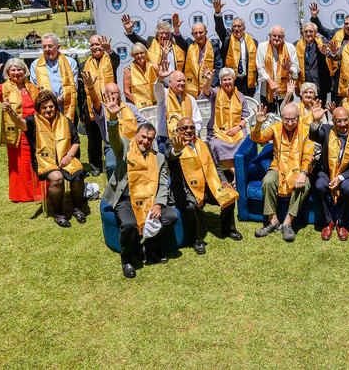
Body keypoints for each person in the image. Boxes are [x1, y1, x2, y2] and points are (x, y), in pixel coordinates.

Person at [101, 109, 177, 279]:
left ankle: (149, 247)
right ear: (135, 135)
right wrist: (113, 118)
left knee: (170, 217)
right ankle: (127, 259)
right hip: (126, 199)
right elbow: (113, 138)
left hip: (150, 200)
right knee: (129, 224)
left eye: (150, 139)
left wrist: (158, 204)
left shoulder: (158, 158)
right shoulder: (125, 148)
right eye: (143, 136)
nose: (145, 141)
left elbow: (164, 183)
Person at [166, 117, 241, 255]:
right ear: (178, 131)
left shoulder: (203, 144)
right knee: (191, 206)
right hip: (186, 188)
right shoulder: (172, 144)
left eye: (192, 127)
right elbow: (169, 156)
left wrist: (223, 181)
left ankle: (228, 229)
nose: (189, 131)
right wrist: (176, 151)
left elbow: (215, 166)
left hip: (209, 184)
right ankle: (197, 239)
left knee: (229, 195)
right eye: (184, 128)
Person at [12, 90, 86, 228]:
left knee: (78, 174)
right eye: (44, 107)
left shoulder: (65, 120)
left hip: (66, 157)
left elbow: (76, 142)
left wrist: (69, 155)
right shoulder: (33, 121)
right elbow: (22, 124)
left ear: (55, 106)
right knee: (57, 178)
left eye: (51, 106)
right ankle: (58, 213)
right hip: (45, 160)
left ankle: (77, 208)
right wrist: (12, 114)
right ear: (39, 109)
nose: (48, 110)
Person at [251, 102, 315, 242]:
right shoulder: (275, 128)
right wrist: (258, 124)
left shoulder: (306, 130)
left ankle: (287, 223)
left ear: (298, 118)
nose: (290, 123)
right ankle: (273, 220)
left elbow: (309, 156)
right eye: (286, 119)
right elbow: (257, 138)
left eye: (293, 119)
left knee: (304, 184)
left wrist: (303, 174)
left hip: (298, 169)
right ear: (281, 118)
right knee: (267, 180)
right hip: (278, 167)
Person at [0, 57, 40, 201]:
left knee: (36, 160)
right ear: (8, 73)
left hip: (34, 128)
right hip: (16, 132)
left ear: (25, 70)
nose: (16, 72)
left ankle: (39, 191)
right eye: (13, 70)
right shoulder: (4, 87)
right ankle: (22, 194)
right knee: (21, 163)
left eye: (19, 69)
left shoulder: (32, 87)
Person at [309, 104, 349, 241]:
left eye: (345, 120)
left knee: (348, 187)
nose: (343, 124)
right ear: (333, 121)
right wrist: (316, 122)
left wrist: (340, 178)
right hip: (326, 172)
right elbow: (314, 136)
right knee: (320, 185)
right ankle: (328, 222)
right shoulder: (327, 131)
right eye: (339, 121)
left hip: (347, 175)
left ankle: (341, 223)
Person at [82, 73, 147, 179]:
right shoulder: (102, 108)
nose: (115, 95)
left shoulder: (129, 106)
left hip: (133, 144)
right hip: (112, 145)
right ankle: (114, 194)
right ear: (105, 95)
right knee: (112, 166)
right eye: (111, 93)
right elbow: (95, 101)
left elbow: (143, 124)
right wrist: (90, 87)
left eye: (117, 93)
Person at [309, 4, 349, 100]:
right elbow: (322, 29)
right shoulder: (336, 33)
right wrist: (314, 17)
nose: (348, 26)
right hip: (338, 79)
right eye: (346, 24)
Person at [200, 66, 251, 181]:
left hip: (236, 131)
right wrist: (208, 80)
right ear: (221, 81)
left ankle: (237, 175)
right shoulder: (216, 92)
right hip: (218, 131)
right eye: (224, 80)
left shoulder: (240, 96)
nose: (227, 82)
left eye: (229, 79)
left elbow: (246, 116)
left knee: (243, 143)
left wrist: (238, 128)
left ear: (234, 80)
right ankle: (237, 174)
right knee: (217, 145)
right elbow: (206, 92)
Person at [81, 35, 120, 176]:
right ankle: (95, 165)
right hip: (92, 104)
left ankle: (115, 158)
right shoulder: (84, 64)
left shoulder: (110, 60)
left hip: (110, 103)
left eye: (97, 44)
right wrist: (82, 109)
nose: (95, 47)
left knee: (112, 133)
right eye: (92, 45)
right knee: (93, 138)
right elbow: (81, 89)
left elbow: (117, 61)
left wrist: (110, 51)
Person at [154, 55, 202, 154]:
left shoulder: (190, 98)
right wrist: (160, 79)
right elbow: (158, 90)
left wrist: (190, 135)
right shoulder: (164, 94)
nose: (182, 83)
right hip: (167, 140)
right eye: (179, 81)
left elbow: (198, 121)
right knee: (175, 157)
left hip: (190, 139)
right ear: (170, 82)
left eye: (184, 81)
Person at [212, 0, 258, 96]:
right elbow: (220, 28)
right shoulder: (227, 38)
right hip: (231, 81)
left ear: (244, 28)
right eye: (234, 27)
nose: (236, 29)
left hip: (247, 83)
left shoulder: (253, 42)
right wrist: (218, 12)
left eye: (239, 26)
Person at [29, 33, 78, 121]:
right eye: (44, 47)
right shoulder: (35, 65)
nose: (47, 49)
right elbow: (34, 88)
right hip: (45, 107)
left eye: (50, 46)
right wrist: (49, 102)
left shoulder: (70, 62)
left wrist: (58, 100)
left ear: (58, 47)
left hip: (66, 105)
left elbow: (73, 85)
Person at [122, 12, 188, 73]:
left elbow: (184, 45)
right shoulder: (151, 42)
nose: (164, 36)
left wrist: (176, 29)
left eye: (167, 33)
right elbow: (138, 41)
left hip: (176, 82)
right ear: (157, 35)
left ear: (171, 35)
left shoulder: (177, 44)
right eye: (161, 33)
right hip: (158, 82)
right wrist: (129, 30)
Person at [255, 25, 299, 112]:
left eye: (280, 36)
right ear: (269, 35)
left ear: (284, 37)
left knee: (287, 117)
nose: (277, 38)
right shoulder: (262, 47)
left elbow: (296, 68)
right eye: (274, 35)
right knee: (268, 120)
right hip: (267, 91)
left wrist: (289, 70)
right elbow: (260, 68)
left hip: (286, 92)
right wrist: (271, 82)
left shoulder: (290, 48)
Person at [295, 14, 331, 99]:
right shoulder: (296, 45)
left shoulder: (323, 43)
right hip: (304, 84)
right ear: (302, 32)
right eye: (306, 31)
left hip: (320, 85)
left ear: (315, 32)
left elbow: (332, 58)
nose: (308, 34)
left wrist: (326, 53)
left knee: (320, 109)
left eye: (311, 31)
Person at [184, 20, 221, 98]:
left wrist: (209, 85)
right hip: (191, 88)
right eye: (195, 33)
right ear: (192, 34)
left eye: (201, 32)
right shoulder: (189, 45)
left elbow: (218, 68)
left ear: (206, 32)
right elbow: (179, 41)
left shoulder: (214, 47)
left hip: (210, 88)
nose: (198, 35)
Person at [123, 42, 158, 109]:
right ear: (133, 56)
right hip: (140, 108)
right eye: (136, 54)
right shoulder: (128, 70)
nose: (139, 56)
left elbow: (161, 84)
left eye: (142, 53)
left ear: (146, 53)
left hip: (156, 105)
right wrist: (137, 104)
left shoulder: (154, 66)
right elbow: (126, 92)